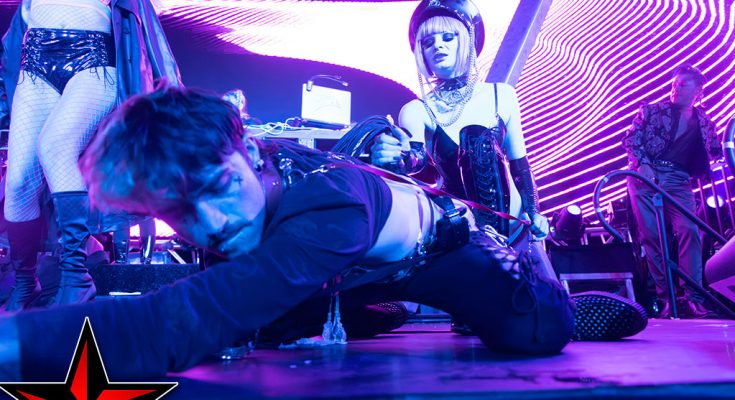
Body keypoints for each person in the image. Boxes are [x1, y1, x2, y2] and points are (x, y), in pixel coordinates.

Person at [0, 86, 582, 381]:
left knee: (534, 331)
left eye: (219, 187)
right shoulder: (247, 186)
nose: (212, 224)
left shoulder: (331, 203)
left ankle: (545, 274)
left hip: (445, 255)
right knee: (264, 325)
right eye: (180, 211)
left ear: (251, 155)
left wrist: (12, 344)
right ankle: (371, 310)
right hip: (343, 273)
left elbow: (173, 321)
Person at [358, 0, 645, 335]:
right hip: (460, 235)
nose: (437, 46)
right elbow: (417, 159)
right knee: (498, 306)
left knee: (531, 306)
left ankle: (537, 308)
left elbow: (519, 163)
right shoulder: (416, 110)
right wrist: (395, 156)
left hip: (514, 231)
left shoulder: (501, 96)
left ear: (467, 41)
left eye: (448, 37)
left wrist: (535, 212)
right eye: (427, 41)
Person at [0, 0, 180, 311]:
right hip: (36, 57)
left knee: (55, 145)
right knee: (18, 185)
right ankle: (26, 282)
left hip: (93, 57)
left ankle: (76, 277)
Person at [622, 64, 722, 319]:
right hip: (645, 177)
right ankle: (666, 298)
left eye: (683, 85)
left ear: (698, 91)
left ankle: (693, 299)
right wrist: (643, 164)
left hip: (678, 179)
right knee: (652, 237)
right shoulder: (651, 110)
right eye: (674, 84)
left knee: (690, 230)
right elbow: (630, 139)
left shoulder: (704, 121)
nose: (675, 89)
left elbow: (716, 150)